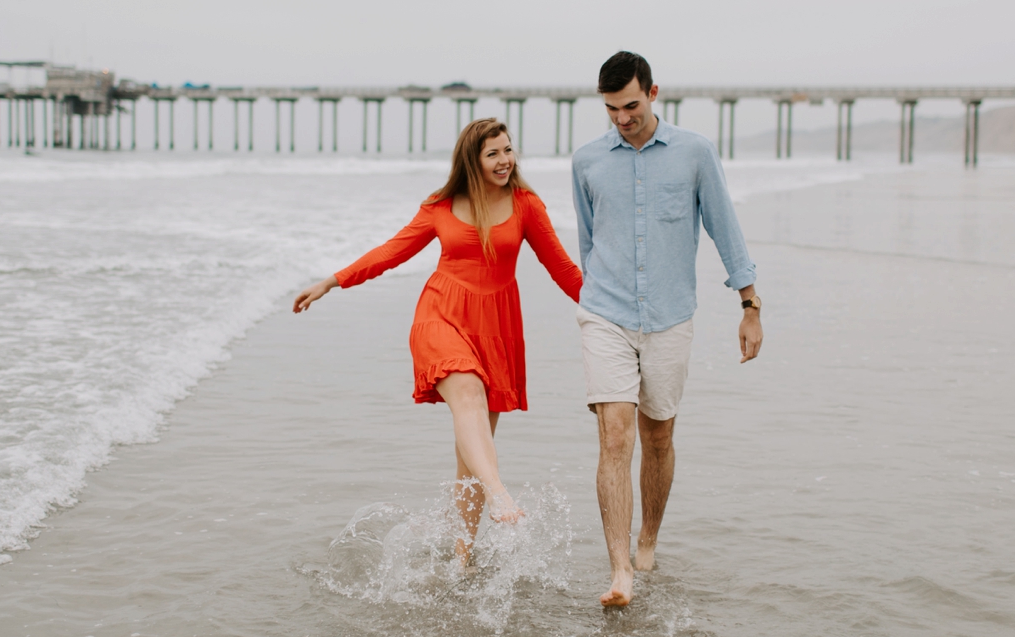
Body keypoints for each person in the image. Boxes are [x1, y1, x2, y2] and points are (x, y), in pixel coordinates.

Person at [292, 118, 582, 555]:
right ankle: (501, 493)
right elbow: (392, 251)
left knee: (473, 449)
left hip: (496, 326)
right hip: (441, 314)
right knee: (467, 395)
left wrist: (610, 311)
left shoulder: (526, 206)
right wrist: (333, 281)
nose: (505, 161)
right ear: (472, 159)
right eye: (493, 154)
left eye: (508, 150)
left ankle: (462, 553)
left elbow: (562, 268)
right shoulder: (441, 205)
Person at [572, 51, 762, 607]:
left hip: (670, 318)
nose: (622, 118)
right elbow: (589, 240)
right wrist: (591, 298)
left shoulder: (695, 153)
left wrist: (750, 304)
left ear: (654, 93)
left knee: (658, 437)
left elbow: (725, 228)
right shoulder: (586, 161)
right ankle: (620, 570)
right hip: (605, 313)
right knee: (615, 437)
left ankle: (648, 542)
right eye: (611, 109)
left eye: (630, 105)